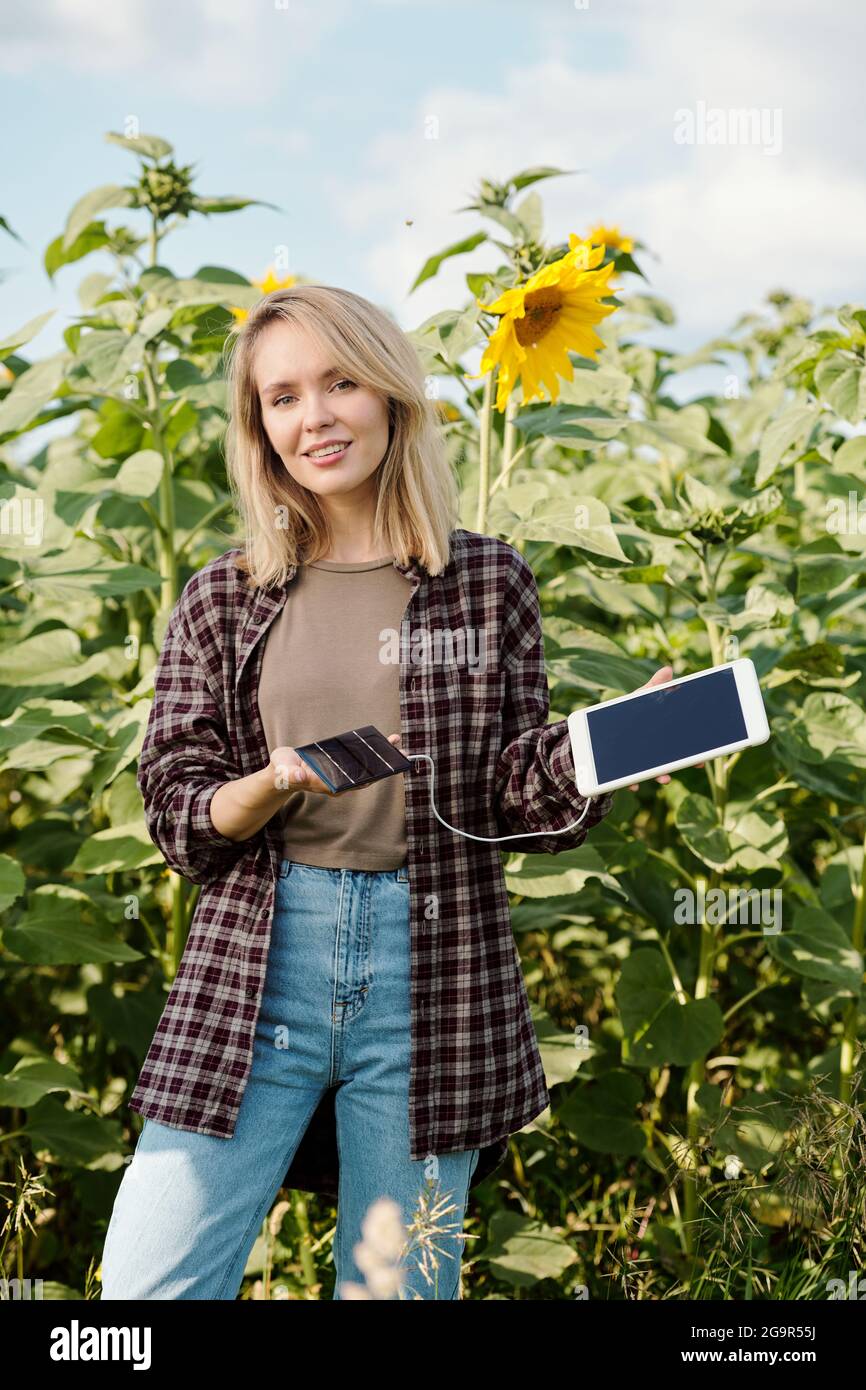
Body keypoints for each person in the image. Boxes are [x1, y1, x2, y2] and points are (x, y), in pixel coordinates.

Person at [99, 283, 666, 1302]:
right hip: (256, 970)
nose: (312, 416)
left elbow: (506, 794)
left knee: (393, 1291)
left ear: (391, 395)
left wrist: (606, 748)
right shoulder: (225, 596)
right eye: (281, 397)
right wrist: (270, 782)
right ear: (258, 427)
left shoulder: (487, 582)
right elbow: (178, 811)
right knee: (148, 1289)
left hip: (431, 973)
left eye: (338, 381)